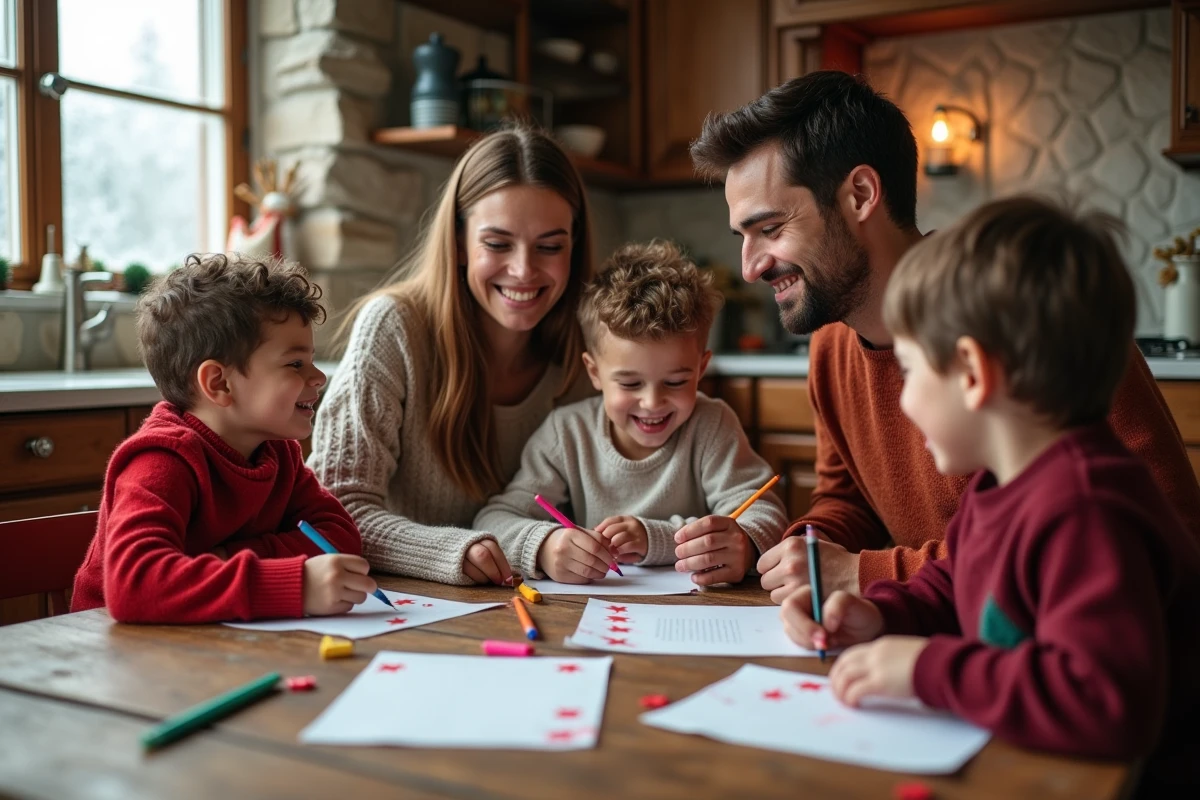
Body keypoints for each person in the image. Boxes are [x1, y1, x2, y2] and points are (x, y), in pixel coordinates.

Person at [690, 70, 1200, 600]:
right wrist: (801, 556)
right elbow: (850, 503)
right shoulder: (830, 344)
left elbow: (1164, 533)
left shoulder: (1029, 312)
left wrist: (867, 574)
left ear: (860, 195)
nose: (749, 268)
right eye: (742, 236)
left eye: (770, 229)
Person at [780, 196, 1200, 790]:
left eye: (911, 369)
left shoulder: (1088, 509)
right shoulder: (999, 485)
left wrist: (927, 668)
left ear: (973, 374)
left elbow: (1104, 701)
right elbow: (961, 584)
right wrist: (882, 613)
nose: (901, 399)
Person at [309, 126, 595, 586]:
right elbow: (334, 511)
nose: (523, 270)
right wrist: (455, 551)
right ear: (460, 242)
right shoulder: (393, 328)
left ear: (573, 247)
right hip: (406, 612)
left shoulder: (587, 350)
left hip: (541, 605)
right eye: (498, 244)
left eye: (549, 246)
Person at [72, 253, 372, 623]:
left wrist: (228, 557)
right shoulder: (160, 460)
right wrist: (294, 584)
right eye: (295, 363)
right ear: (219, 383)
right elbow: (134, 585)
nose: (318, 377)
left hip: (211, 640)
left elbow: (339, 537)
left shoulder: (276, 454)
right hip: (114, 655)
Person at [475, 241, 786, 584]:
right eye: (630, 384)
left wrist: (743, 543)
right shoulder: (567, 433)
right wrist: (545, 545)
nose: (652, 403)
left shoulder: (712, 424)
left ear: (701, 369)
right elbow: (494, 519)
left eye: (675, 382)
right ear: (594, 372)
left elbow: (765, 514)